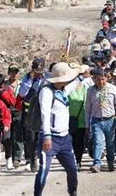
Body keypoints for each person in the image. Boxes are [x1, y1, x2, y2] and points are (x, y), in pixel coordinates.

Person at [34, 62, 83, 196]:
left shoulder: (63, 89)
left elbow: (77, 81)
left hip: (65, 138)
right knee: (44, 170)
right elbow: (44, 114)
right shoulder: (46, 91)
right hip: (50, 138)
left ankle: (73, 192)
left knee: (72, 169)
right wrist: (47, 136)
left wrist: (81, 69)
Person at [85, 67, 116, 173]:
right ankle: (97, 164)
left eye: (103, 79)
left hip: (110, 121)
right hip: (96, 120)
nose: (100, 82)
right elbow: (87, 108)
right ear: (94, 79)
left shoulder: (113, 89)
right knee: (98, 142)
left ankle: (111, 162)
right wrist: (87, 125)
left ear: (106, 78)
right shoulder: (90, 91)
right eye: (98, 79)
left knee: (110, 143)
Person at [19, 57, 46, 172]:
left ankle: (42, 158)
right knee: (30, 138)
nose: (38, 74)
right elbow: (22, 93)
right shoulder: (27, 78)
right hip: (30, 112)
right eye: (36, 72)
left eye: (40, 72)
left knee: (43, 135)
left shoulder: (48, 78)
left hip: (43, 111)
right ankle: (32, 158)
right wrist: (30, 81)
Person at [68, 65, 92, 171]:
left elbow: (87, 106)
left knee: (79, 143)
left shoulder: (85, 89)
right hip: (68, 120)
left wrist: (88, 122)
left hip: (81, 121)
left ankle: (78, 161)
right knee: (69, 143)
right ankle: (71, 161)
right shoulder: (68, 89)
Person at [0, 73, 17, 170]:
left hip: (5, 117)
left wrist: (3, 94)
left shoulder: (7, 89)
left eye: (1, 84)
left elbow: (13, 102)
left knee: (6, 140)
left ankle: (8, 159)